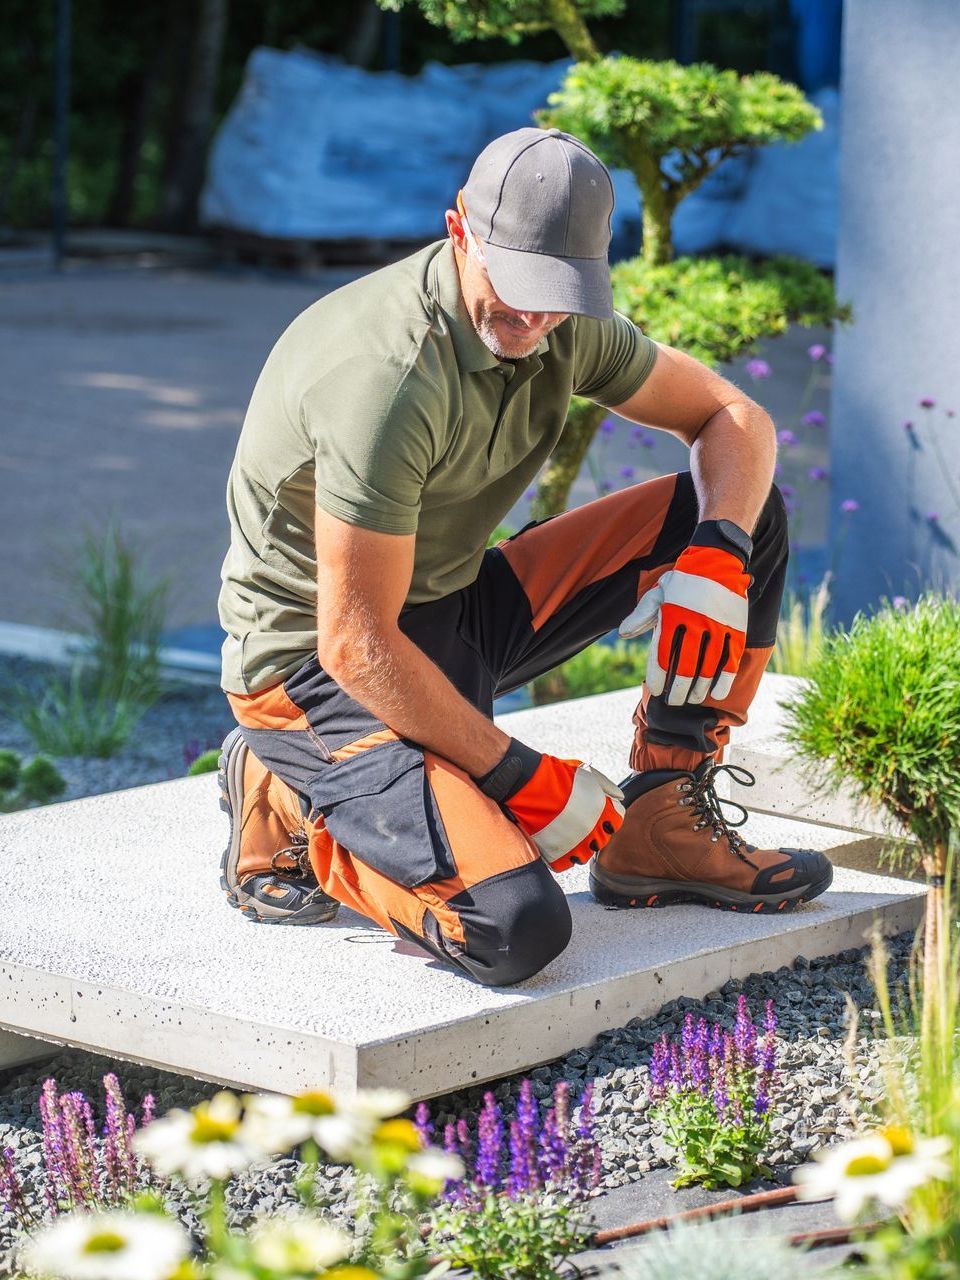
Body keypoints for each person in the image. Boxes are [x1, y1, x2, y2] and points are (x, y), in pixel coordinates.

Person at [216, 127, 833, 986]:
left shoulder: (558, 321)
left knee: (739, 508)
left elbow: (733, 417)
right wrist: (518, 773)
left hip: (451, 612)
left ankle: (661, 825)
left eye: (558, 292)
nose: (532, 317)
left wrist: (717, 556)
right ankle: (292, 798)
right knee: (511, 929)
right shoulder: (386, 379)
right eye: (515, 284)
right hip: (317, 676)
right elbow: (354, 645)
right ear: (458, 231)